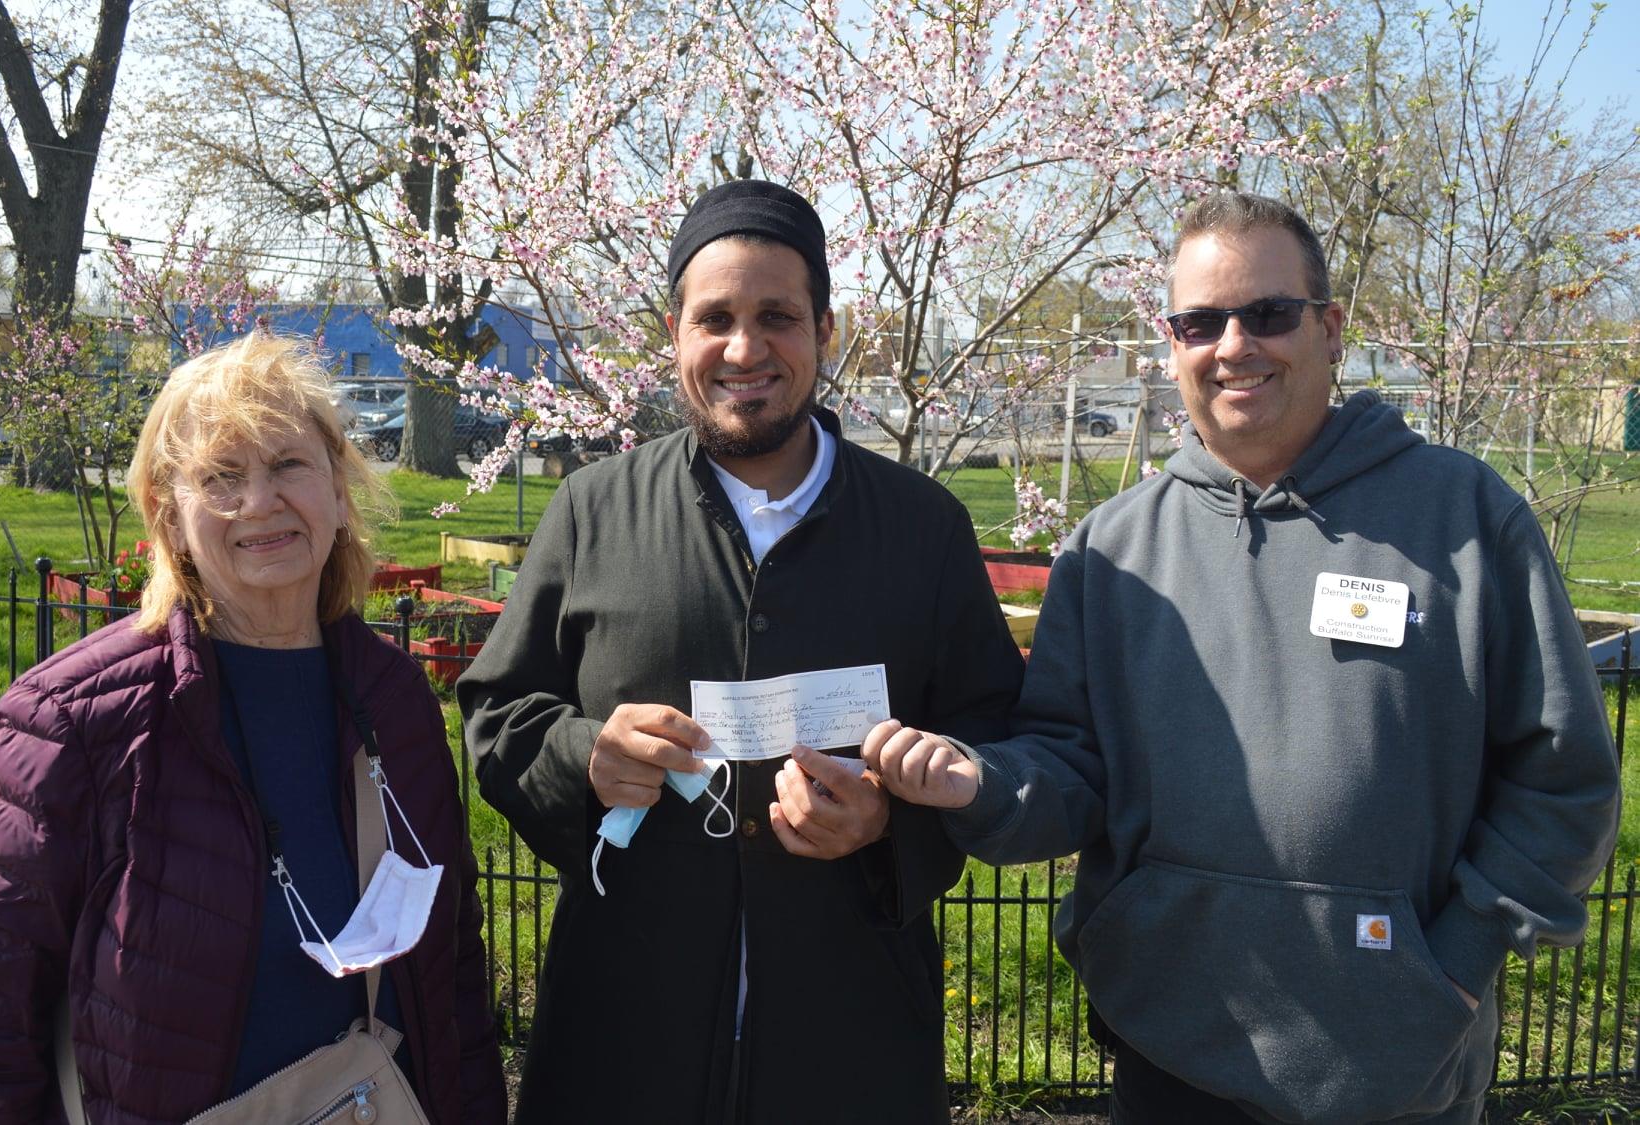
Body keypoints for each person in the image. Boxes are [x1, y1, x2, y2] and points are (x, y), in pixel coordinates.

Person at [863, 192, 1621, 1125]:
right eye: (1201, 322)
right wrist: (978, 784)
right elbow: (1068, 764)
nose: (1234, 345)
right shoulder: (1112, 552)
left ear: (1329, 330)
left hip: (1398, 1065)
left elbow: (1564, 779)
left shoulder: (1463, 518)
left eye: (1268, 313)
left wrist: (1455, 967)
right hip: (1168, 1051)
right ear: (1171, 343)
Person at [458, 178, 1025, 1123]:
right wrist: (585, 758)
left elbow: (993, 734)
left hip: (850, 1039)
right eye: (714, 318)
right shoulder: (592, 511)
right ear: (674, 334)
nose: (744, 349)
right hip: (624, 1032)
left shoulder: (923, 528)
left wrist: (890, 823)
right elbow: (498, 713)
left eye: (778, 317)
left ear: (825, 332)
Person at [0, 333, 506, 1123]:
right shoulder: (73, 722)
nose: (259, 501)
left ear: (337, 488)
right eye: (220, 476)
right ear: (169, 517)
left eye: (288, 464)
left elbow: (453, 975)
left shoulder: (396, 699)